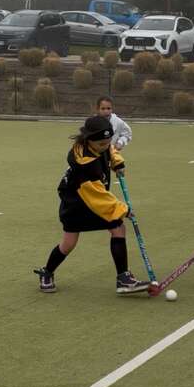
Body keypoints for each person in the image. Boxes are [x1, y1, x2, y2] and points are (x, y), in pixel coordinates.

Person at [34, 115, 150, 295]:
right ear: (89, 140)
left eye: (108, 141)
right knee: (68, 244)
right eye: (101, 144)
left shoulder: (100, 144)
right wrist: (123, 209)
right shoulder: (86, 166)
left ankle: (123, 278)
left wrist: (117, 162)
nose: (105, 146)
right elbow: (98, 197)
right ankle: (47, 272)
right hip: (76, 203)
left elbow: (109, 149)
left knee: (118, 228)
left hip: (94, 198)